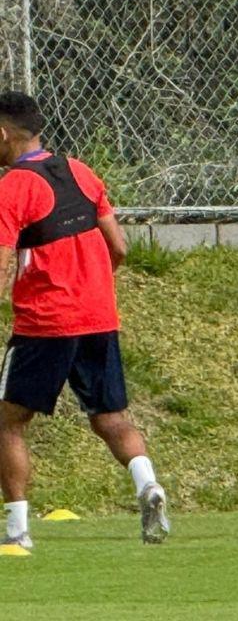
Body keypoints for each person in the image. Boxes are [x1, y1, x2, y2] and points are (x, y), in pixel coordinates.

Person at [0, 91, 169, 555]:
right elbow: (119, 247)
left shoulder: (13, 185)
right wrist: (89, 286)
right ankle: (149, 486)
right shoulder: (80, 170)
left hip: (45, 322)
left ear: (3, 134)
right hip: (98, 318)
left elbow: (2, 259)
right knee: (111, 416)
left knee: (8, 423)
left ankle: (16, 532)